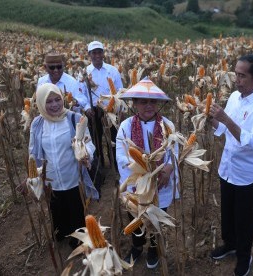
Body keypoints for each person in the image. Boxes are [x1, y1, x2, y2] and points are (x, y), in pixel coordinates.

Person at [209, 54, 253, 276]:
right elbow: (223, 130)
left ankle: (244, 257)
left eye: (241, 75)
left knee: (245, 220)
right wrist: (212, 119)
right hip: (227, 168)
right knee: (227, 214)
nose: (236, 79)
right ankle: (230, 244)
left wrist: (226, 119)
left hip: (248, 175)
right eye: (235, 73)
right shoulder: (235, 97)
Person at [116, 77, 178, 269]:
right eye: (143, 101)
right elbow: (121, 156)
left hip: (161, 183)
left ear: (158, 104)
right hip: (136, 184)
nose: (148, 105)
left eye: (152, 101)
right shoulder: (126, 126)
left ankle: (153, 249)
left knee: (157, 216)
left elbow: (174, 151)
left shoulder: (167, 125)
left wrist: (167, 168)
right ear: (134, 103)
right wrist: (141, 173)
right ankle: (136, 246)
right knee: (135, 217)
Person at [29, 83, 99, 249]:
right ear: (40, 103)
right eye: (49, 101)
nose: (54, 105)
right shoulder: (37, 123)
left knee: (76, 209)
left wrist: (86, 153)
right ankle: (63, 232)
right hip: (51, 179)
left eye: (57, 99)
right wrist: (33, 175)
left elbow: (87, 143)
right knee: (57, 212)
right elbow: (33, 151)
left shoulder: (74, 118)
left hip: (73, 175)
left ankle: (79, 238)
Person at [80, 41, 123, 168]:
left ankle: (115, 164)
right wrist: (87, 108)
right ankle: (100, 166)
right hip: (93, 111)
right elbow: (80, 94)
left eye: (99, 52)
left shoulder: (112, 70)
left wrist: (119, 109)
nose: (97, 55)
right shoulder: (84, 72)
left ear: (103, 53)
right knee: (95, 140)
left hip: (111, 111)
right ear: (89, 54)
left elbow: (120, 91)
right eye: (94, 53)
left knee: (114, 139)